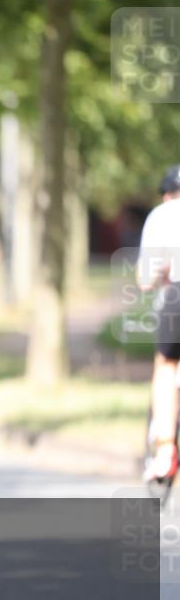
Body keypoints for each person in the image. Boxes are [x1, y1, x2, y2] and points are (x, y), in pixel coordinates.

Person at [138, 164, 180, 480]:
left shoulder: (162, 216)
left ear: (167, 194)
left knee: (166, 367)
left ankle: (165, 451)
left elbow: (145, 279)